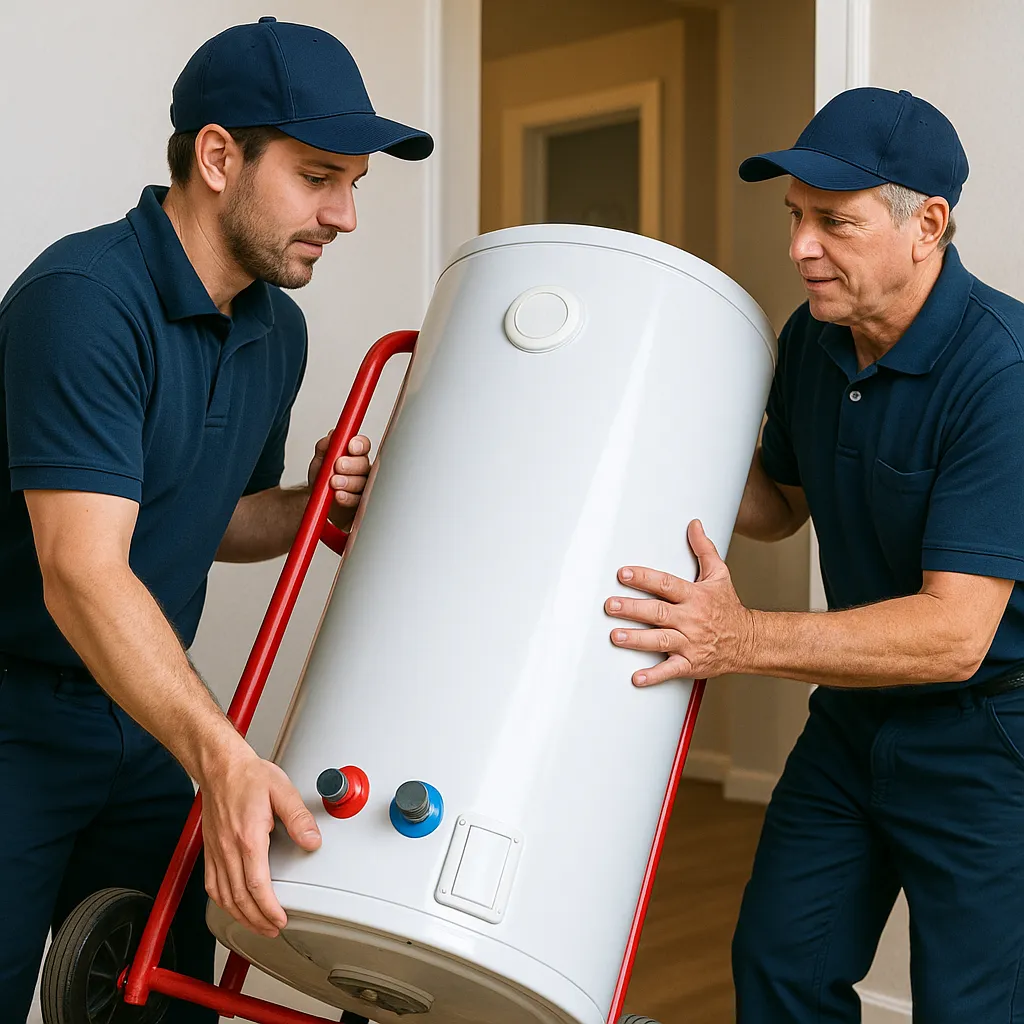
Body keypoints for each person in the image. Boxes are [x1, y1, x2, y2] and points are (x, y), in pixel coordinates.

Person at [0, 16, 430, 1021]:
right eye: (319, 175)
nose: (345, 214)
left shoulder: (274, 328)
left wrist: (309, 502)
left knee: (168, 990)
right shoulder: (84, 300)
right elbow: (82, 572)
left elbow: (216, 517)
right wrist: (224, 752)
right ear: (218, 155)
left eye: (355, 184)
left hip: (142, 712)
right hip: (15, 712)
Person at [605, 86, 1024, 1021]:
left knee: (973, 1007)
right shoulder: (815, 339)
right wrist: (647, 442)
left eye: (834, 222)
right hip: (855, 721)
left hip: (990, 734)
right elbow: (781, 504)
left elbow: (955, 633)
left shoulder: (1003, 373)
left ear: (929, 225)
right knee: (781, 966)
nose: (800, 247)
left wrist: (738, 638)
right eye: (795, 217)